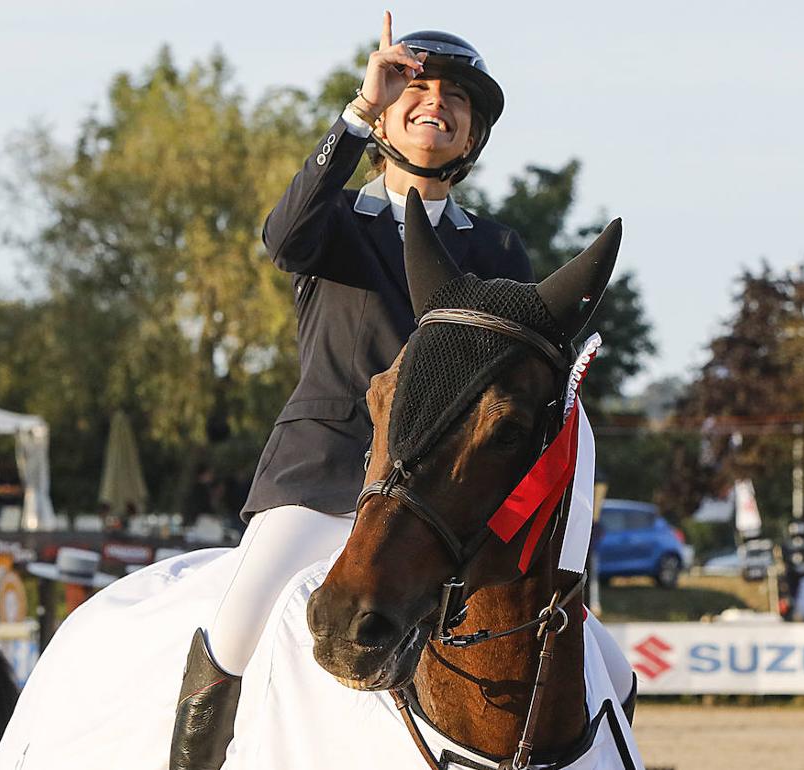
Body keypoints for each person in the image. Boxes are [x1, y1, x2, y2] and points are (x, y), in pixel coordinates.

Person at [168, 14, 533, 769]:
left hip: (440, 499)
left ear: (471, 137)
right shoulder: (333, 220)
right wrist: (359, 112)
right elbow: (280, 237)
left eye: (457, 98)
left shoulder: (497, 249)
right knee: (238, 627)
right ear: (387, 110)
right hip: (323, 474)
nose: (437, 101)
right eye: (417, 87)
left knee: (574, 645)